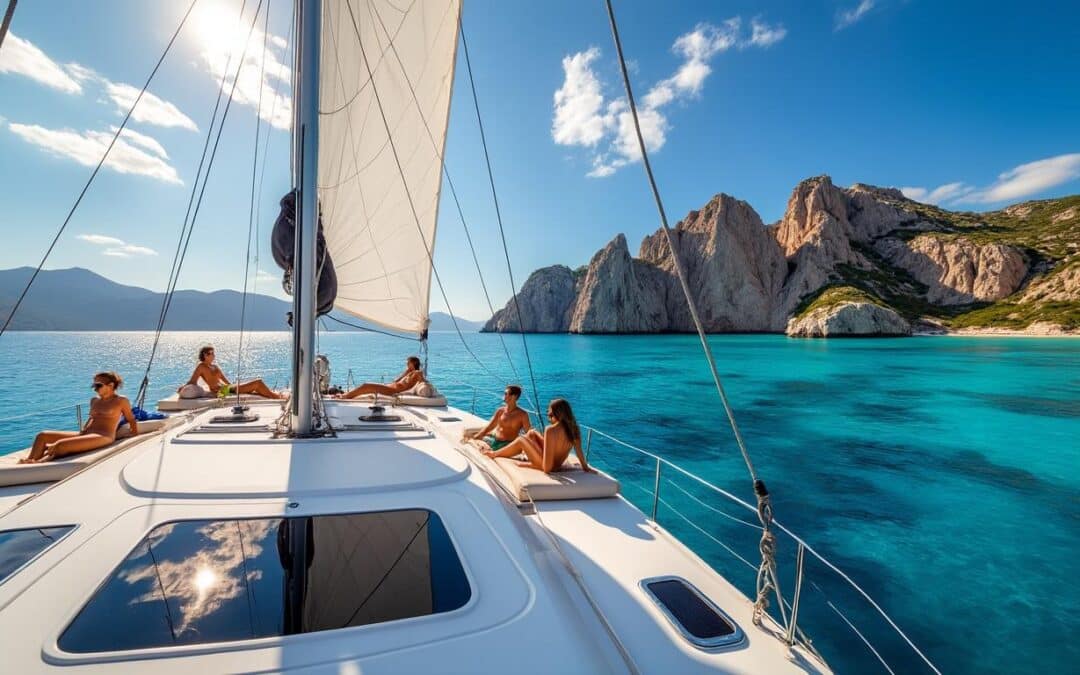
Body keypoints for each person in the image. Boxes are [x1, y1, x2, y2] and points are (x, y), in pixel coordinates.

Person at [20, 372, 138, 464]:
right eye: (94, 385)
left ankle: (39, 462)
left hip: (104, 436)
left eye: (98, 385)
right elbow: (92, 417)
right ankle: (30, 460)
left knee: (60, 444)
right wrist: (83, 430)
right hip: (86, 434)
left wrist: (135, 434)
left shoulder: (121, 401)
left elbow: (131, 419)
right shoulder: (94, 400)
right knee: (42, 435)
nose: (95, 389)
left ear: (111, 385)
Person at [483, 398, 596, 474]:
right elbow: (579, 452)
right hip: (557, 464)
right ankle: (521, 450)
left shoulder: (551, 430)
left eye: (550, 414)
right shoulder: (574, 428)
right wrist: (585, 467)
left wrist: (529, 465)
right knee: (532, 433)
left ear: (557, 414)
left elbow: (547, 468)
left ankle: (494, 454)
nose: (549, 417)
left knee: (521, 440)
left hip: (549, 467)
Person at [179, 344, 282, 399]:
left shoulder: (215, 367)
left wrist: (235, 387)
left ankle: (273, 395)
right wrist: (183, 388)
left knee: (256, 388)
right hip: (221, 391)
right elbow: (192, 381)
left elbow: (226, 381)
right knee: (258, 382)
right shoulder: (201, 367)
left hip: (228, 388)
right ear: (205, 355)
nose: (214, 355)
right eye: (211, 353)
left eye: (214, 353)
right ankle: (276, 397)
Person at [464, 385, 532, 451]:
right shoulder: (500, 411)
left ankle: (485, 448)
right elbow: (490, 426)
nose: (503, 396)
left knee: (473, 442)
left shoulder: (522, 415)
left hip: (506, 444)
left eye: (506, 394)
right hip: (493, 439)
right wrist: (479, 435)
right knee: (466, 432)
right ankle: (482, 445)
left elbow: (528, 434)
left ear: (514, 396)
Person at [336, 356, 427, 399]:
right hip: (390, 387)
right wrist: (406, 372)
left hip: (392, 391)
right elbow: (396, 381)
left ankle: (345, 396)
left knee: (366, 385)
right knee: (366, 388)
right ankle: (348, 395)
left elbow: (423, 381)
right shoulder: (409, 372)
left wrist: (423, 382)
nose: (407, 364)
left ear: (414, 363)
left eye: (408, 363)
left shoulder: (417, 372)